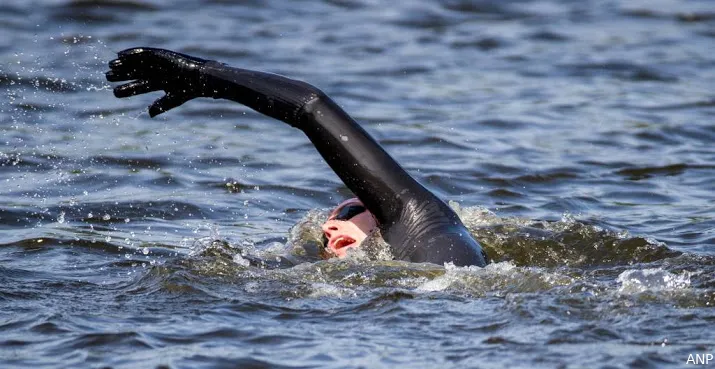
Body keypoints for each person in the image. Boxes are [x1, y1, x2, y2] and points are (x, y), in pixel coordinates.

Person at [106, 47, 488, 267]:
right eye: (369, 202)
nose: (376, 197)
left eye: (368, 200)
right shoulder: (431, 228)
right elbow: (310, 106)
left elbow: (309, 108)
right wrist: (208, 75)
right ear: (338, 239)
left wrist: (209, 76)